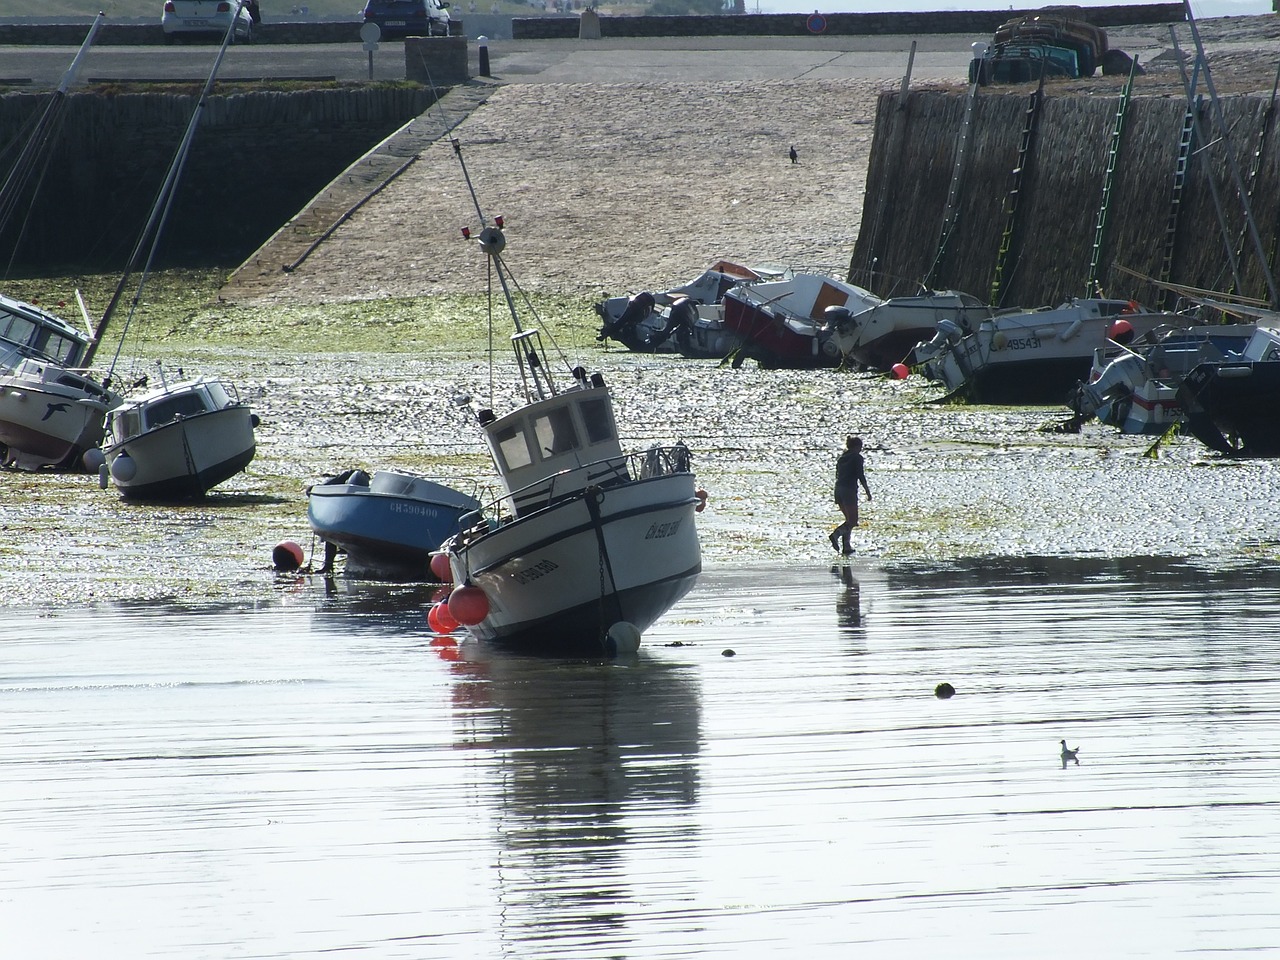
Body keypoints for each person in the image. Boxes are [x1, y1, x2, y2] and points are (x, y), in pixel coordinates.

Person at [829, 435, 871, 555]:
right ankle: (835, 535)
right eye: (860, 447)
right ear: (856, 447)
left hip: (839, 489)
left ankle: (846, 546)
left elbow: (837, 474)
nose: (861, 449)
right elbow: (860, 475)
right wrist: (867, 491)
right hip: (849, 490)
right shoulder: (857, 458)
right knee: (852, 521)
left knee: (848, 520)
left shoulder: (842, 458)